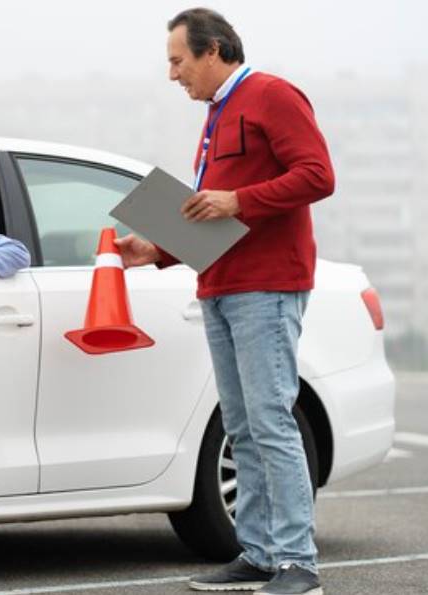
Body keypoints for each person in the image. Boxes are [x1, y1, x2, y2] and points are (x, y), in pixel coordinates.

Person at [115, 8, 334, 595]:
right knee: (241, 425)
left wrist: (237, 200)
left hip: (267, 288)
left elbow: (317, 175)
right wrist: (155, 250)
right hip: (220, 287)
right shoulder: (217, 114)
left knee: (269, 421)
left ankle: (297, 562)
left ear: (213, 51)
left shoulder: (271, 95)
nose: (173, 74)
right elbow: (211, 217)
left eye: (178, 61)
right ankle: (259, 555)